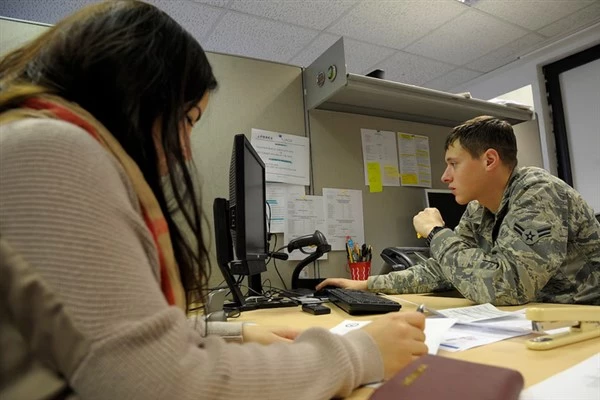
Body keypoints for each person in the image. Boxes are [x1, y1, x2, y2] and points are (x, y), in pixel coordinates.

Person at [0, 1, 427, 399]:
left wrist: (222, 334)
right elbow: (158, 382)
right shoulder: (48, 147)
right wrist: (359, 354)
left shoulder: (32, 139)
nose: (186, 151)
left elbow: (93, 339)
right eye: (187, 120)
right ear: (133, 90)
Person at [318, 116, 600, 306]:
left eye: (454, 164)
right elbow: (446, 270)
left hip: (587, 320)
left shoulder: (537, 192)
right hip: (543, 319)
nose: (445, 176)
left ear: (489, 160)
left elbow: (508, 287)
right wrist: (367, 285)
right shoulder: (479, 208)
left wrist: (437, 233)